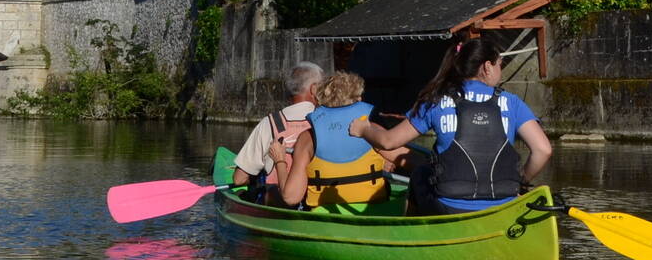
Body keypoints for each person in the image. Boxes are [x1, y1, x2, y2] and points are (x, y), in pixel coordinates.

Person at [354, 37, 553, 215]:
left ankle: (414, 235)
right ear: (487, 67)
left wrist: (363, 129)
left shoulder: (436, 101)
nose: (500, 72)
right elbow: (543, 150)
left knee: (420, 173)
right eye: (500, 65)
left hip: (450, 207)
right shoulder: (512, 102)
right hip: (503, 204)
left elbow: (388, 142)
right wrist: (521, 182)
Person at [276, 72, 410, 209]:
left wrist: (279, 160)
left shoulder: (307, 138)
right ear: (357, 99)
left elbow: (291, 197)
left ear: (320, 99)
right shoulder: (372, 130)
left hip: (325, 218)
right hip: (373, 214)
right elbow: (411, 161)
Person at [232, 62, 324, 204]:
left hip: (281, 202)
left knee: (244, 191)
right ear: (314, 89)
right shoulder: (327, 122)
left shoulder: (269, 123)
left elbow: (239, 179)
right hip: (319, 200)